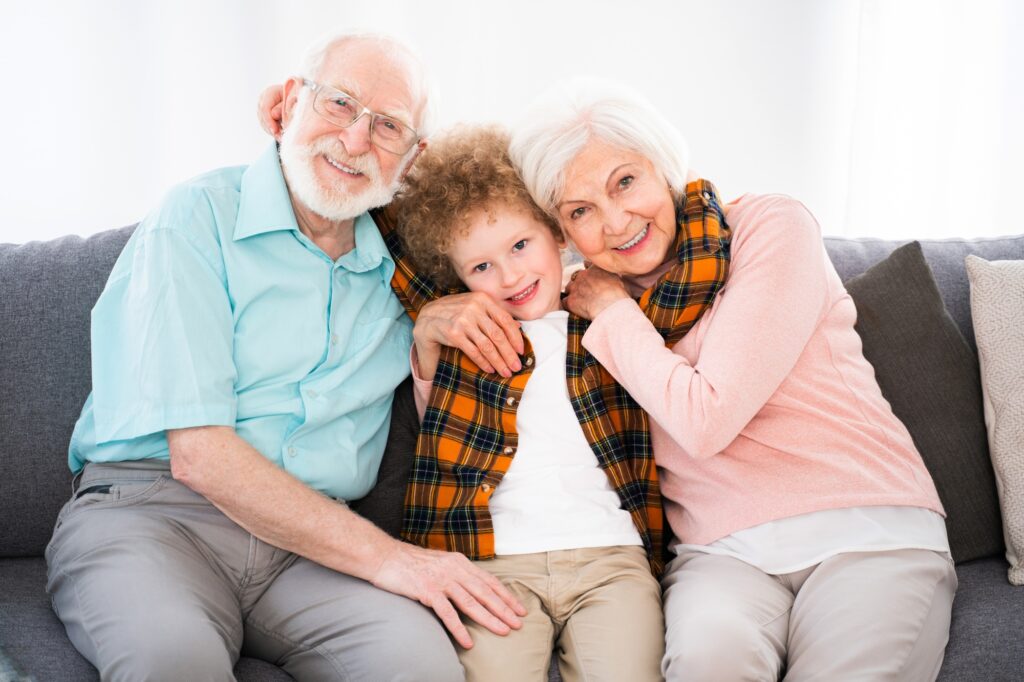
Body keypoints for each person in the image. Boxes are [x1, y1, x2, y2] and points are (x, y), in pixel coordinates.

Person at [45, 32, 527, 682]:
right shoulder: (198, 215)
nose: (355, 139)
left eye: (387, 126)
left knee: (419, 666)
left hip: (310, 546)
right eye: (339, 103)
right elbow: (199, 455)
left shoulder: (408, 265)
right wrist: (392, 559)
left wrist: (641, 266)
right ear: (289, 103)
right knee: (173, 660)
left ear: (412, 158)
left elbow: (529, 232)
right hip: (155, 513)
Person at [502, 78, 957, 681]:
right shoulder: (568, 302)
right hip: (721, 556)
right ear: (561, 234)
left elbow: (707, 417)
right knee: (705, 663)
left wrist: (613, 313)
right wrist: (435, 326)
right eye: (580, 211)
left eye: (625, 181)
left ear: (663, 166)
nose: (615, 221)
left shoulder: (769, 227)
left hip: (867, 527)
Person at [386, 125, 676, 682]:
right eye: (481, 267)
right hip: (493, 564)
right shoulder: (463, 336)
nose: (511, 275)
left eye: (521, 245)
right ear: (456, 278)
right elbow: (382, 227)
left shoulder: (607, 311)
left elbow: (691, 261)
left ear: (556, 231)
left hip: (610, 557)